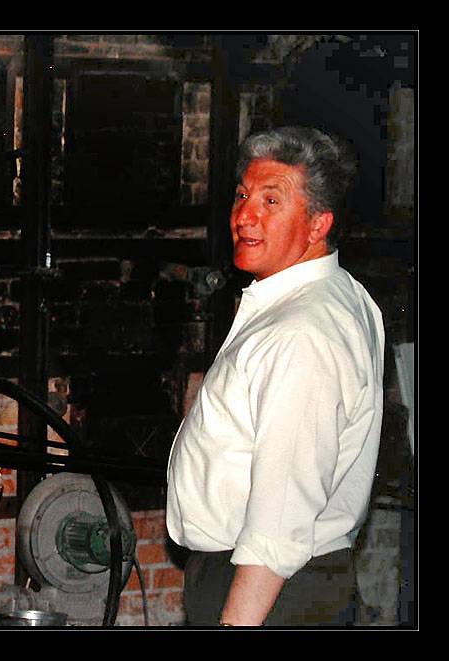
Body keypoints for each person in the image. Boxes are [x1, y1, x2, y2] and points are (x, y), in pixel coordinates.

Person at [165, 126, 385, 627]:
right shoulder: (335, 294)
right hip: (277, 578)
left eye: (271, 200)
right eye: (243, 195)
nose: (245, 216)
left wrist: (236, 620)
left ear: (317, 225)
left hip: (269, 590)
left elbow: (278, 522)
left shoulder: (300, 334)